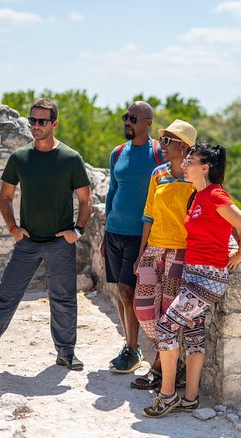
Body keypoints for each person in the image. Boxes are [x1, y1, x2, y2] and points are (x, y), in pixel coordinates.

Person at [0, 98, 93, 371]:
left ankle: (66, 352)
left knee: (64, 298)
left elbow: (86, 200)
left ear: (54, 123)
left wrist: (77, 231)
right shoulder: (20, 157)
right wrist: (13, 228)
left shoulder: (71, 158)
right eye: (32, 120)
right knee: (5, 296)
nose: (35, 125)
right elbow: (5, 196)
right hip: (27, 242)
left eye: (42, 121)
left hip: (60, 243)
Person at [143, 143, 241, 417]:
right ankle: (190, 398)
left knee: (166, 329)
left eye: (190, 161)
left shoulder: (215, 195)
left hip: (208, 279)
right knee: (193, 336)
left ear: (205, 167)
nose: (184, 164)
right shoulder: (197, 195)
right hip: (192, 275)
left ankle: (167, 395)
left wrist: (240, 254)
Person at [130, 120, 197, 390]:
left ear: (184, 146)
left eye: (168, 141)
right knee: (143, 308)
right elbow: (148, 214)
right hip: (154, 248)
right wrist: (141, 251)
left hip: (181, 252)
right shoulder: (158, 173)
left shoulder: (195, 179)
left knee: (169, 311)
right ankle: (172, 360)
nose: (162, 145)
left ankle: (160, 366)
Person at [101, 101, 164, 373]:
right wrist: (104, 232)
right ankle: (129, 345)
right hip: (114, 231)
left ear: (148, 122)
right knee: (120, 290)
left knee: (129, 291)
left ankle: (133, 349)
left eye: (134, 118)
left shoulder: (159, 153)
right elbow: (111, 193)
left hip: (140, 236)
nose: (128, 122)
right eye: (126, 116)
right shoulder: (117, 153)